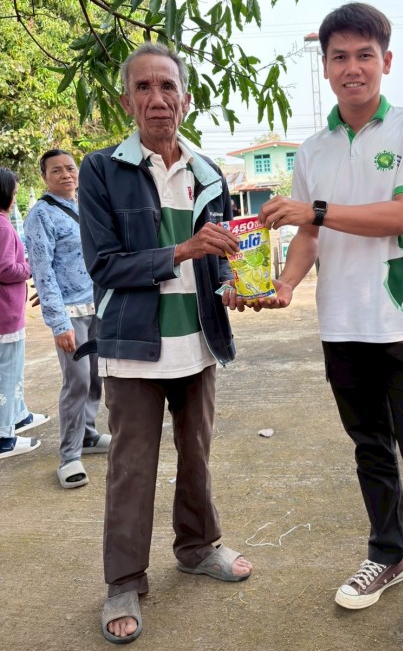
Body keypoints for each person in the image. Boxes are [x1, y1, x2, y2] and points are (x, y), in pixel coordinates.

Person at [231, 3, 403, 651]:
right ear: (325, 67)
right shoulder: (313, 150)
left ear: (386, 61)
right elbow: (308, 236)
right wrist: (285, 284)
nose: (352, 68)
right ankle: (388, 556)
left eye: (364, 55)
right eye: (339, 57)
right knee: (371, 452)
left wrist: (315, 210)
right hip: (343, 328)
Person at [76, 43, 252, 644]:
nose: (157, 99)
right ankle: (124, 581)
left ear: (186, 98)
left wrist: (233, 285)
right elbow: (104, 264)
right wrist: (182, 250)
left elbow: (217, 256)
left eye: (167, 87)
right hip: (133, 346)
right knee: (131, 467)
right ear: (127, 101)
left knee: (197, 453)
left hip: (198, 343)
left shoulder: (208, 172)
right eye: (144, 88)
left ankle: (198, 547)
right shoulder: (102, 169)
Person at [23, 150, 109, 489]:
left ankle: (88, 435)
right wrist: (58, 323)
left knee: (96, 377)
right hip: (70, 314)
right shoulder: (40, 215)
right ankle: (69, 456)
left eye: (70, 168)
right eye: (56, 170)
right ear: (44, 177)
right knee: (77, 382)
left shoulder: (85, 206)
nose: (66, 175)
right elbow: (42, 272)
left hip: (97, 306)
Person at [0, 167, 49, 458]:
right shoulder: (3, 226)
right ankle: (4, 436)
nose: (15, 197)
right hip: (5, 314)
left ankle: (18, 416)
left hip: (6, 313)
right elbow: (6, 268)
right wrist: (29, 267)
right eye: (14, 192)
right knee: (8, 374)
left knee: (11, 371)